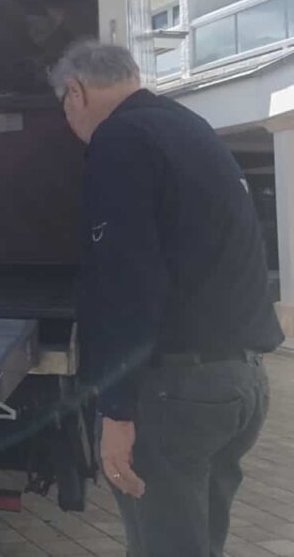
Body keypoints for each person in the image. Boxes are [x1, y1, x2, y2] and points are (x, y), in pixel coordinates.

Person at [49, 41, 284, 556]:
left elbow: (125, 282)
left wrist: (115, 409)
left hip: (176, 393)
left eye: (64, 107)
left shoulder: (120, 140)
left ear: (75, 92)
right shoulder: (190, 129)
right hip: (241, 383)